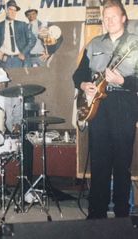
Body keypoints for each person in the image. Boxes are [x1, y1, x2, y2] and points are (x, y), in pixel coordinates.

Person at [73, 0, 138, 219]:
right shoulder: (94, 44)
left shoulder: (135, 44)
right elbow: (78, 74)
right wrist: (84, 85)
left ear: (123, 18)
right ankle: (96, 216)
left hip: (124, 105)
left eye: (113, 16)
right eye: (105, 17)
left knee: (121, 165)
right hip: (97, 107)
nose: (109, 21)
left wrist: (123, 81)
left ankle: (121, 216)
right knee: (99, 163)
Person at [0, 0, 36, 68]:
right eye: (10, 9)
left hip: (19, 61)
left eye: (15, 10)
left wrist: (24, 52)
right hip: (3, 60)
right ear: (6, 10)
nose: (13, 12)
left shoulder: (22, 25)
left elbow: (33, 39)